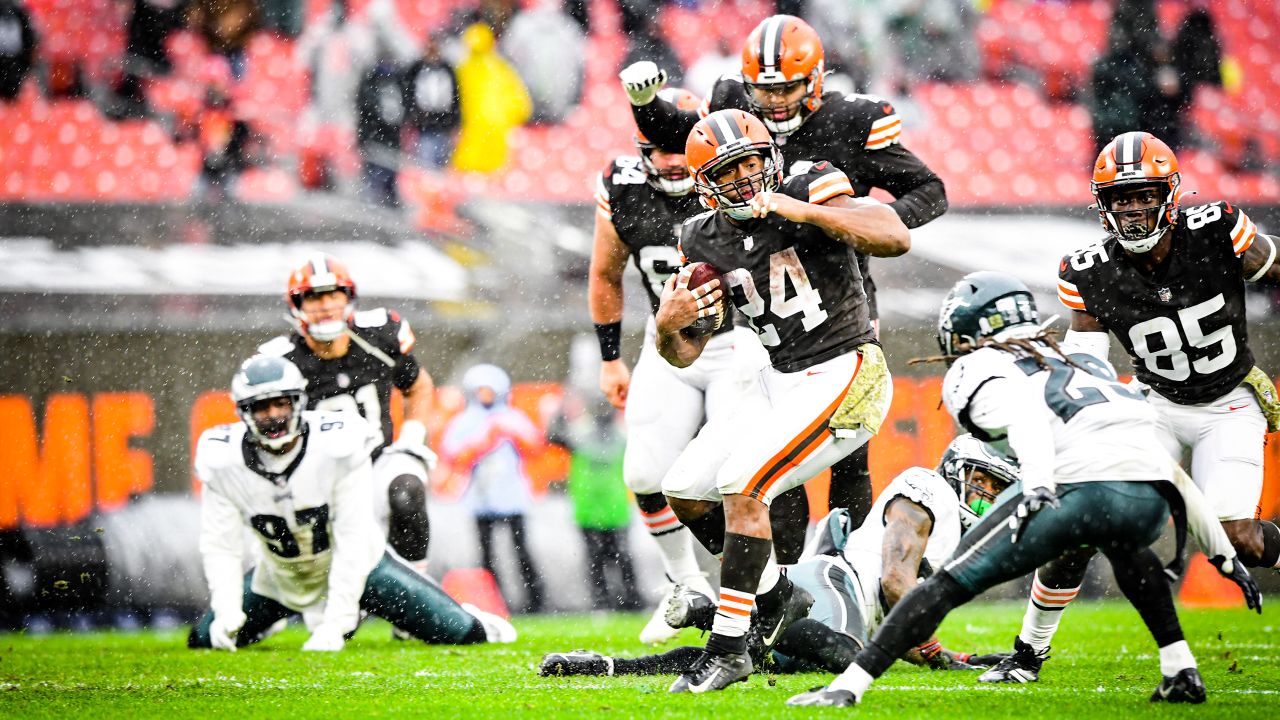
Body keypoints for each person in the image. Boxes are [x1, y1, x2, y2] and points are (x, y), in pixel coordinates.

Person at [787, 271, 1261, 708]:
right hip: (1148, 494)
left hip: (1078, 483)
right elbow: (1159, 461)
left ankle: (848, 687)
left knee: (949, 583)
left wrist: (1035, 482)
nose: (983, 492)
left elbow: (1029, 422)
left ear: (966, 330)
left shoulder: (977, 369)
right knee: (1126, 549)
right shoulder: (1081, 363)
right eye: (980, 480)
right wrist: (1221, 553)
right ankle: (1179, 666)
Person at [620, 14, 948, 546]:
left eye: (787, 87)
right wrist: (647, 106)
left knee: (848, 449)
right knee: (769, 449)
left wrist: (855, 223)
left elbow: (929, 191)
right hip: (765, 302)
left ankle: (847, 564)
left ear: (816, 79)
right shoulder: (734, 104)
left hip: (842, 291)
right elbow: (682, 138)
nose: (773, 102)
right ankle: (788, 570)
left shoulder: (852, 120)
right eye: (763, 89)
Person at [981, 130, 1280, 684]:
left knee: (1242, 540)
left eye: (1144, 194)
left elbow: (1276, 268)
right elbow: (1087, 364)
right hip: (1155, 407)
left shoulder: (1217, 229)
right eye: (1121, 198)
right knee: (1083, 523)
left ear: (1169, 192)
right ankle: (1027, 653)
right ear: (1103, 205)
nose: (1134, 208)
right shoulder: (1086, 270)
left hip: (1229, 403)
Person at [653, 108, 908, 693]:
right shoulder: (698, 236)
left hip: (846, 367)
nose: (745, 177)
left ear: (769, 156)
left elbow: (896, 235)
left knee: (745, 483)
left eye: (751, 161)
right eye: (729, 168)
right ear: (705, 183)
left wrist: (801, 211)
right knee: (686, 488)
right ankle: (775, 596)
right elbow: (682, 354)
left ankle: (729, 645)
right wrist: (669, 325)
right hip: (775, 377)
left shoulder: (808, 182)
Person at [539, 435, 1018, 678]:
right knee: (843, 659)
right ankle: (708, 611)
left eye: (995, 490)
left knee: (750, 658)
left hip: (841, 601)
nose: (985, 496)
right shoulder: (928, 487)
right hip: (837, 588)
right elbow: (895, 584)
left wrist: (955, 660)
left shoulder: (943, 523)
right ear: (957, 470)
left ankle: (605, 666)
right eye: (984, 482)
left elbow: (900, 623)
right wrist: (936, 650)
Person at [590, 86, 765, 644]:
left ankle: (764, 590)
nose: (670, 161)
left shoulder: (729, 176)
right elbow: (605, 273)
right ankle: (686, 586)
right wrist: (610, 359)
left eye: (678, 147)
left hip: (740, 341)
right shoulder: (622, 184)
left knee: (740, 474)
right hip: (667, 343)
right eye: (658, 149)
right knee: (644, 472)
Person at [187, 355, 515, 651]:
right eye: (261, 407)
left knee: (466, 634)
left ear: (298, 402)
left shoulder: (336, 445)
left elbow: (353, 539)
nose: (273, 416)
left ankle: (471, 618)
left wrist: (337, 622)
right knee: (202, 639)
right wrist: (227, 610)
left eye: (281, 404)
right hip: (279, 578)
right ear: (244, 412)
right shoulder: (224, 458)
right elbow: (221, 545)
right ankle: (268, 620)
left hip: (365, 571)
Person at [258, 254, 437, 586]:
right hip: (322, 480)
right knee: (344, 613)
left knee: (407, 490)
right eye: (313, 297)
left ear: (348, 297)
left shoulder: (380, 336)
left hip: (378, 462)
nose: (325, 305)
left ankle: (417, 587)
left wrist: (411, 439)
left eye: (333, 294)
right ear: (296, 305)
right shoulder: (283, 363)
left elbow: (418, 386)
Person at [441, 364, 547, 614]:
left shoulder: (512, 417)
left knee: (521, 550)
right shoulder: (465, 421)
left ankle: (535, 600)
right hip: (481, 498)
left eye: (489, 390)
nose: (484, 395)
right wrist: (483, 442)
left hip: (511, 496)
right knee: (487, 555)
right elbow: (454, 456)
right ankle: (494, 603)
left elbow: (535, 447)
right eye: (480, 390)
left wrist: (509, 433)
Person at [546, 392, 641, 612]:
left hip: (607, 508)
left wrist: (561, 407)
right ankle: (617, 601)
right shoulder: (599, 437)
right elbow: (552, 435)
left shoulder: (594, 437)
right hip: (599, 508)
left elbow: (553, 434)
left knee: (611, 558)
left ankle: (618, 601)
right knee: (608, 558)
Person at [405, 33, 461, 169]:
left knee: (442, 165)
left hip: (443, 125)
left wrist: (455, 122)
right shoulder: (417, 68)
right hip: (424, 125)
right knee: (426, 165)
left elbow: (455, 98)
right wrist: (413, 117)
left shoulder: (447, 69)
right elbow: (408, 94)